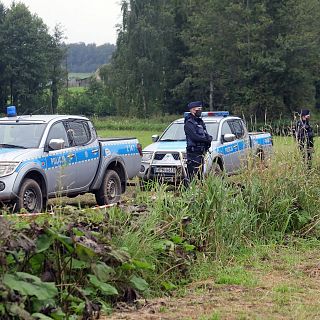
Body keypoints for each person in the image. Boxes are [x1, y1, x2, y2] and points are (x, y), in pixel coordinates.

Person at [184, 101, 213, 182]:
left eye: (201, 109)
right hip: (193, 153)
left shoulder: (200, 121)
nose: (200, 111)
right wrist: (206, 140)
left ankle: (200, 192)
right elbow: (195, 137)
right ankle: (187, 192)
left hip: (201, 153)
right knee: (191, 176)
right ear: (192, 110)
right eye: (198, 109)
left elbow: (205, 134)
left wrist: (209, 139)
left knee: (200, 176)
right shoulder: (189, 123)